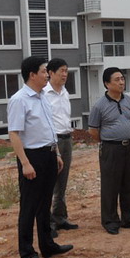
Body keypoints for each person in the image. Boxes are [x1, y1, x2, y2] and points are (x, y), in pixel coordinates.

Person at [8, 56, 73, 258]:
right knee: (29, 206)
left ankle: (48, 245)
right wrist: (25, 163)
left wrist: (56, 154)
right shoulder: (19, 100)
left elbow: (49, 128)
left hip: (49, 154)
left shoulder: (43, 96)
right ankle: (27, 252)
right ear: (32, 74)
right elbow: (14, 134)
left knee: (44, 204)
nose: (47, 75)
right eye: (44, 71)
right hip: (32, 156)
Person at [88, 67, 130, 234]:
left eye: (122, 79)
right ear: (107, 84)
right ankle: (110, 221)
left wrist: (126, 133)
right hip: (110, 149)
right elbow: (93, 131)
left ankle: (128, 219)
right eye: (117, 80)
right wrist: (109, 140)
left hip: (129, 148)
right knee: (110, 186)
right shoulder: (99, 105)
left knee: (129, 184)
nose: (121, 82)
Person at [44, 58, 78, 238]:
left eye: (66, 71)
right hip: (52, 140)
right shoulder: (43, 94)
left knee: (62, 181)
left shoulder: (65, 92)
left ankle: (60, 217)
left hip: (66, 138)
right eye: (61, 71)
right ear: (51, 73)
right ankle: (47, 223)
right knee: (50, 182)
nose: (65, 74)